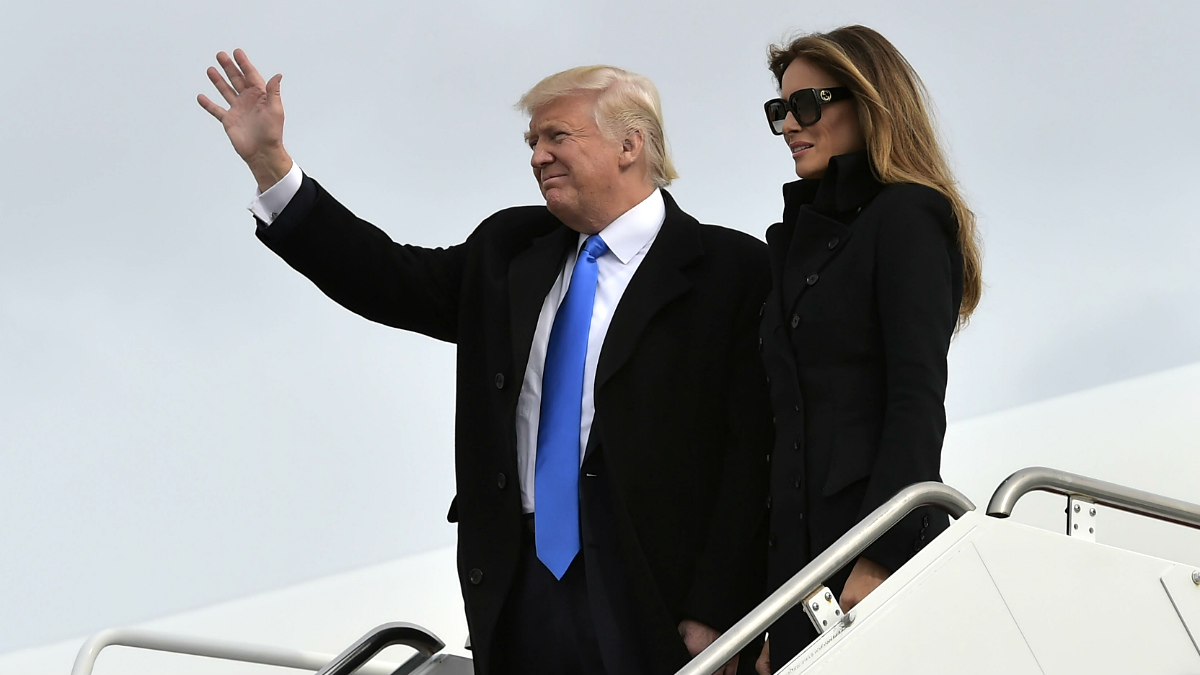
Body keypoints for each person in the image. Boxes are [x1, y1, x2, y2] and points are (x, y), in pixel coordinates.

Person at [198, 50, 772, 675]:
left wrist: (719, 605)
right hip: (517, 580)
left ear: (630, 145)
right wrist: (270, 164)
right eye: (532, 142)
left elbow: (753, 453)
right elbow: (386, 277)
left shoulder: (732, 271)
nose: (537, 156)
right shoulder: (509, 250)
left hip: (653, 586)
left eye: (557, 136)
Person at [752, 26, 983, 674]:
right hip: (799, 575)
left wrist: (879, 559)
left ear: (868, 100)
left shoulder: (907, 216)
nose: (790, 125)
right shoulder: (793, 248)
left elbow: (915, 399)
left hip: (869, 557)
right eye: (780, 110)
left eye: (807, 105)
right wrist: (770, 613)